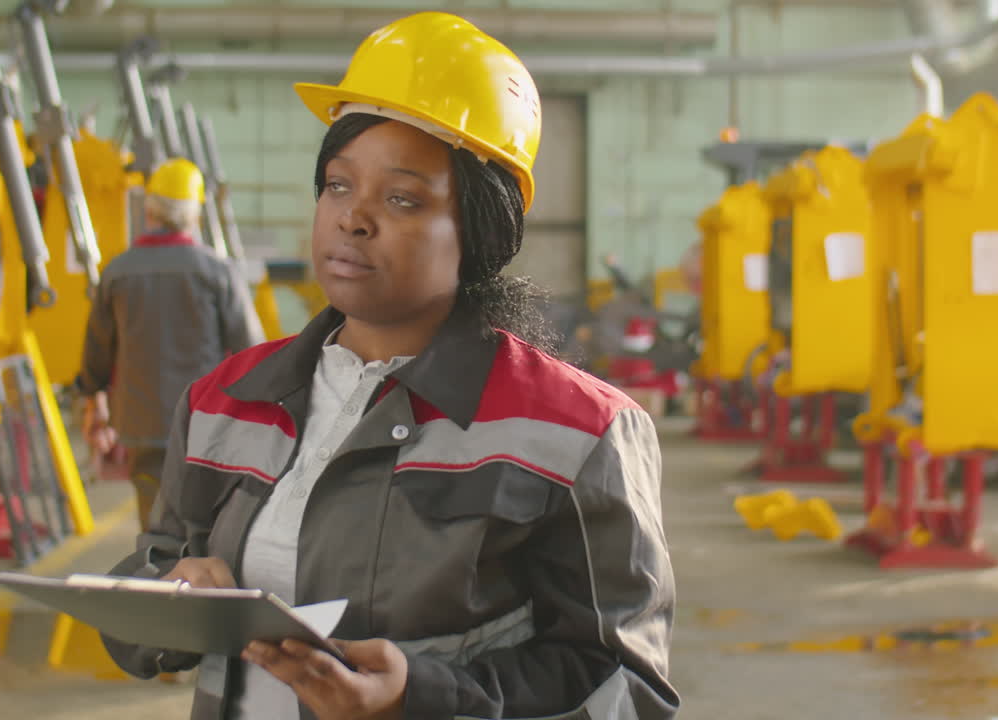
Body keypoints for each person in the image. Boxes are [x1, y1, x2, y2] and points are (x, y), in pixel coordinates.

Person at [101, 11, 678, 719]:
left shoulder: (577, 433)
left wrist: (421, 698)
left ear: (481, 233)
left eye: (402, 198)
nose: (353, 218)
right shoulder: (227, 400)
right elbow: (149, 573)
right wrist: (171, 595)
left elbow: (626, 690)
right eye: (338, 185)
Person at [75, 157, 264, 531]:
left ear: (149, 211)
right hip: (205, 421)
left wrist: (92, 397)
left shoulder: (117, 272)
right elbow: (252, 352)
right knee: (204, 519)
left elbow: (97, 350)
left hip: (140, 422)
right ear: (194, 215)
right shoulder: (217, 272)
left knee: (154, 519)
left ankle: (157, 580)